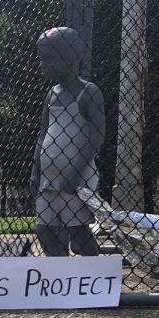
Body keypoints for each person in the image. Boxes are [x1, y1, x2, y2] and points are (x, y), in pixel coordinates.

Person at [30, 27, 104, 256]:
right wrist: (36, 168)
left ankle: (93, 277)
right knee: (44, 230)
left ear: (70, 56)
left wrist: (75, 174)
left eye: (49, 59)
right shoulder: (51, 94)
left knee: (78, 233)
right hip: (48, 179)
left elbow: (96, 135)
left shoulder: (88, 92)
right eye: (41, 59)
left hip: (76, 178)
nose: (43, 65)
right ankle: (60, 277)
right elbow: (43, 133)